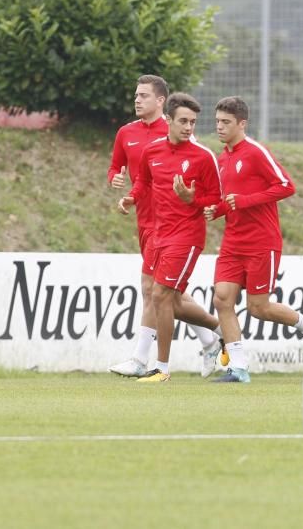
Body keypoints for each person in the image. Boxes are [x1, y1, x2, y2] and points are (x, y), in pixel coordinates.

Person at [108, 75, 225, 378]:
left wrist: (192, 198)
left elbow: (213, 195)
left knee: (156, 293)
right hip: (150, 225)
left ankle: (144, 361)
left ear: (161, 102)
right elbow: (129, 174)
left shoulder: (193, 146)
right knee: (166, 296)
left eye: (144, 95)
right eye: (136, 95)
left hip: (182, 231)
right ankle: (214, 336)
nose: (137, 100)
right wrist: (124, 191)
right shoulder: (130, 135)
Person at [203, 96, 303, 383]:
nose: (219, 127)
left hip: (261, 242)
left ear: (242, 124)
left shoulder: (256, 152)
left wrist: (245, 201)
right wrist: (212, 209)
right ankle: (239, 368)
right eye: (217, 121)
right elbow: (227, 201)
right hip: (232, 242)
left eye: (226, 122)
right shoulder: (222, 159)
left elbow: (286, 186)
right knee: (222, 299)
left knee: (259, 308)